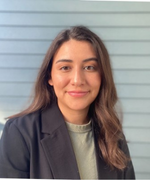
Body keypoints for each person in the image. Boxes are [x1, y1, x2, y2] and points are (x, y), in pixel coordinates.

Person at [0, 26, 135, 179]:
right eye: (65, 68)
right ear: (49, 77)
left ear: (102, 76)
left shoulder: (113, 134)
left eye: (89, 67)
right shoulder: (20, 132)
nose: (77, 80)